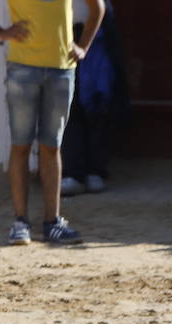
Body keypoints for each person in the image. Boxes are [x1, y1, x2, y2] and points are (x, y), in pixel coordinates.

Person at [0, 0, 106, 245]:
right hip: (27, 68)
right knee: (23, 145)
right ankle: (22, 221)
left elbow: (98, 7)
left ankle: (51, 221)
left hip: (59, 68)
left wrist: (84, 46)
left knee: (50, 146)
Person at [60, 1, 128, 196]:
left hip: (97, 30)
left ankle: (95, 170)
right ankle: (73, 172)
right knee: (68, 103)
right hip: (62, 30)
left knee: (99, 100)